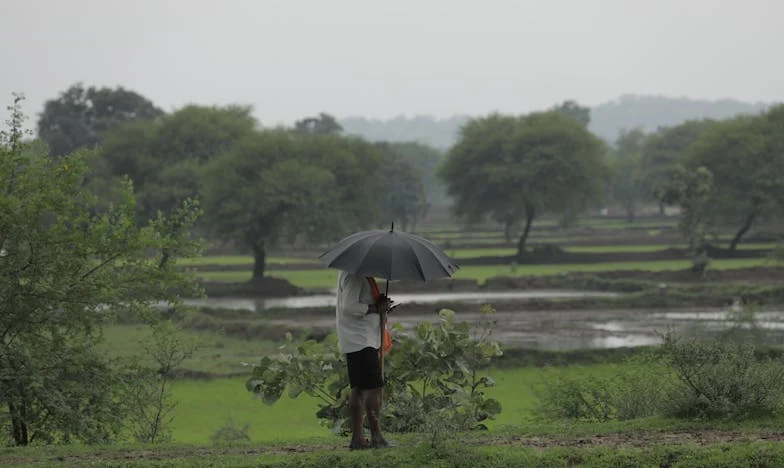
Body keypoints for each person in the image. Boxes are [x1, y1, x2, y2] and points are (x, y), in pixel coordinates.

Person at [335, 269, 392, 450]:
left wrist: (379, 304)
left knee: (359, 388)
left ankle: (358, 439)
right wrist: (376, 308)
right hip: (360, 339)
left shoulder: (356, 273)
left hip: (360, 338)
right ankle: (376, 436)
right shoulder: (354, 275)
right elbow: (349, 306)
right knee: (373, 388)